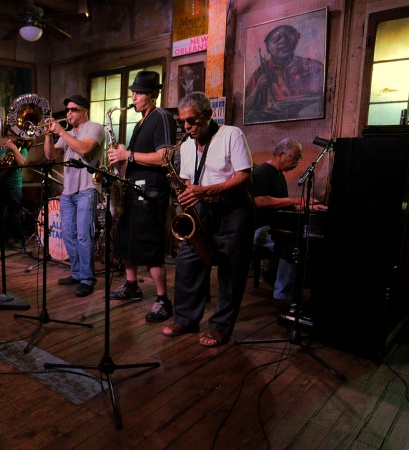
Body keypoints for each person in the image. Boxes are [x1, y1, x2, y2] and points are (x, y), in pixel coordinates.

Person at [162, 91, 254, 347]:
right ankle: (186, 319)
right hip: (202, 209)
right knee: (187, 263)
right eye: (182, 121)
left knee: (231, 271)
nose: (187, 127)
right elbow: (188, 180)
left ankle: (221, 326)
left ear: (208, 114)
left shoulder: (231, 134)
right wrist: (186, 193)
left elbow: (245, 178)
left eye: (192, 120)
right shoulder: (186, 145)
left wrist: (203, 192)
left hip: (233, 209)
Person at [106, 71, 177, 323]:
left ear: (153, 95)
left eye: (138, 93)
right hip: (133, 190)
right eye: (133, 93)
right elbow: (134, 159)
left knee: (150, 246)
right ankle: (132, 286)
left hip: (151, 193)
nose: (133, 98)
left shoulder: (162, 117)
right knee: (124, 239)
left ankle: (163, 300)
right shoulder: (140, 123)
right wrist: (120, 161)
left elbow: (165, 157)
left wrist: (129, 155)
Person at [252, 138, 326, 307]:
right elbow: (260, 201)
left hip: (274, 227)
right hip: (258, 228)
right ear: (280, 154)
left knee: (302, 240)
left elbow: (287, 205)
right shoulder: (262, 173)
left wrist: (309, 207)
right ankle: (283, 296)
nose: (297, 162)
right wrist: (295, 200)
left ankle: (293, 289)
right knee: (292, 245)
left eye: (299, 158)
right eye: (295, 157)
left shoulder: (279, 176)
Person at [44, 94, 105, 297]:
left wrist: (60, 131)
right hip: (68, 190)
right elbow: (50, 155)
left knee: (84, 235)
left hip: (87, 189)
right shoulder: (67, 134)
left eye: (73, 109)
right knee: (68, 234)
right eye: (67, 110)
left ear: (84, 111)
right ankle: (77, 273)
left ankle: (87, 278)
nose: (69, 113)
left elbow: (84, 149)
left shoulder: (95, 128)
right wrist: (48, 135)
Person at [245, 24, 325, 122]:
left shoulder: (315, 66)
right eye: (276, 39)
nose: (283, 41)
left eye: (288, 36)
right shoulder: (261, 72)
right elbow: (246, 107)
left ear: (297, 38)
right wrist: (258, 87)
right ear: (267, 47)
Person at [0, 128, 29, 249]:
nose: (9, 138)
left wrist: (13, 148)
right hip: (2, 184)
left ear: (17, 137)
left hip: (14, 185)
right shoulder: (2, 149)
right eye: (7, 136)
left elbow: (21, 162)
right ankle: (2, 238)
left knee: (13, 213)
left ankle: (19, 239)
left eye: (12, 136)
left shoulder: (22, 149)